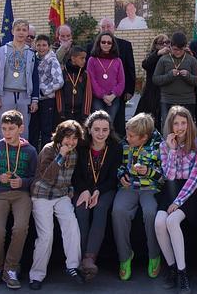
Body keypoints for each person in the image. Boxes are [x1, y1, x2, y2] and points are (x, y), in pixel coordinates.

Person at [28, 120, 86, 290]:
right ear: (60, 137)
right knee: (46, 236)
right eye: (68, 137)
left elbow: (71, 177)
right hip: (42, 195)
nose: (71, 142)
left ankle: (73, 266)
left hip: (61, 195)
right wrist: (60, 155)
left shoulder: (75, 153)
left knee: (72, 225)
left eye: (75, 138)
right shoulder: (48, 149)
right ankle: (36, 275)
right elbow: (46, 177)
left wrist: (71, 190)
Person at [0, 110, 37, 289]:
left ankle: (11, 268)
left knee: (20, 228)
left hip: (21, 194)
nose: (7, 133)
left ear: (21, 129)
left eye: (11, 129)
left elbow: (35, 178)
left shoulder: (30, 150)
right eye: (4, 128)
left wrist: (23, 182)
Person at [155, 106, 197, 294]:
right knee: (159, 223)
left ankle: (183, 273)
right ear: (171, 125)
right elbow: (169, 175)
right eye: (176, 123)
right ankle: (172, 268)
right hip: (171, 187)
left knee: (172, 220)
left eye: (183, 123)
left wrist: (179, 202)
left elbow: (195, 177)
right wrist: (173, 150)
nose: (180, 127)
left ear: (189, 124)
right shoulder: (164, 145)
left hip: (191, 192)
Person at [112, 113, 163, 281]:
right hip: (128, 188)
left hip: (150, 188)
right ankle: (125, 257)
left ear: (144, 138)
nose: (127, 138)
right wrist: (121, 176)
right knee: (118, 211)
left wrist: (148, 172)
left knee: (150, 213)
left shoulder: (159, 147)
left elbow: (164, 177)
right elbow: (119, 166)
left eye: (131, 136)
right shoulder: (125, 145)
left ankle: (154, 255)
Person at [72, 110, 122, 281]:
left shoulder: (116, 147)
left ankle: (89, 258)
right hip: (83, 188)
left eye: (105, 130)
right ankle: (79, 257)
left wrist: (98, 190)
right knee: (81, 210)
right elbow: (75, 174)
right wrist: (85, 189)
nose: (101, 134)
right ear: (89, 129)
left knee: (100, 209)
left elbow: (114, 177)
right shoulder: (80, 146)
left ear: (110, 131)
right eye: (97, 129)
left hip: (105, 189)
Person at [0, 19, 40, 140]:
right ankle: (4, 156)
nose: (21, 32)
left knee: (23, 129)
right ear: (12, 31)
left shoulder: (31, 53)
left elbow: (35, 77)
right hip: (5, 94)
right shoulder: (2, 51)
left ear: (28, 32)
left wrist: (34, 100)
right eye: (18, 29)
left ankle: (21, 156)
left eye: (24, 30)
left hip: (24, 95)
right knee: (4, 128)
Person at [91, 18, 136, 137]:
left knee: (116, 124)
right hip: (97, 96)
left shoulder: (125, 46)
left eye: (108, 27)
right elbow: (90, 76)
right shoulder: (91, 48)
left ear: (114, 28)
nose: (106, 29)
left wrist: (128, 91)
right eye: (103, 27)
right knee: (99, 124)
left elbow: (130, 70)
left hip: (117, 94)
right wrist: (102, 95)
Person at [152, 32, 197, 128]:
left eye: (181, 49)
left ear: (185, 47)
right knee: (168, 127)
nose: (178, 52)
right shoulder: (163, 59)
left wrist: (188, 76)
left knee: (186, 128)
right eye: (175, 49)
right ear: (170, 46)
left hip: (187, 100)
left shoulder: (191, 60)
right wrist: (169, 75)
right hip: (168, 100)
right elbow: (155, 79)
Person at [29, 34, 64, 150]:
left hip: (47, 100)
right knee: (33, 130)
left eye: (44, 45)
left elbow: (59, 81)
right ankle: (33, 156)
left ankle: (45, 156)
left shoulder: (52, 60)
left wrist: (44, 90)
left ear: (49, 47)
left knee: (46, 130)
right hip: (34, 100)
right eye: (38, 45)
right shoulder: (33, 59)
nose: (41, 48)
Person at [135, 34, 171, 130]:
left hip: (168, 93)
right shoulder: (153, 56)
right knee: (151, 121)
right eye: (161, 43)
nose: (165, 45)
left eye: (167, 42)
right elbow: (145, 64)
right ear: (156, 45)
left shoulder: (171, 56)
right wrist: (158, 53)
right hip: (152, 93)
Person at [87, 32, 125, 121]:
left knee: (109, 123)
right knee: (98, 122)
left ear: (112, 45)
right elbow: (92, 80)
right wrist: (103, 96)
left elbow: (121, 81)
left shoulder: (117, 61)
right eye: (103, 42)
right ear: (99, 43)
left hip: (113, 98)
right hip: (97, 98)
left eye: (109, 42)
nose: (106, 44)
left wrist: (113, 95)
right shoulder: (92, 60)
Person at [58, 46, 92, 123]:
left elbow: (88, 94)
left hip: (80, 113)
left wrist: (85, 113)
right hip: (65, 112)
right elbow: (59, 93)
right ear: (73, 58)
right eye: (82, 58)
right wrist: (61, 111)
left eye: (85, 58)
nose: (84, 61)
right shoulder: (63, 73)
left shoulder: (85, 74)